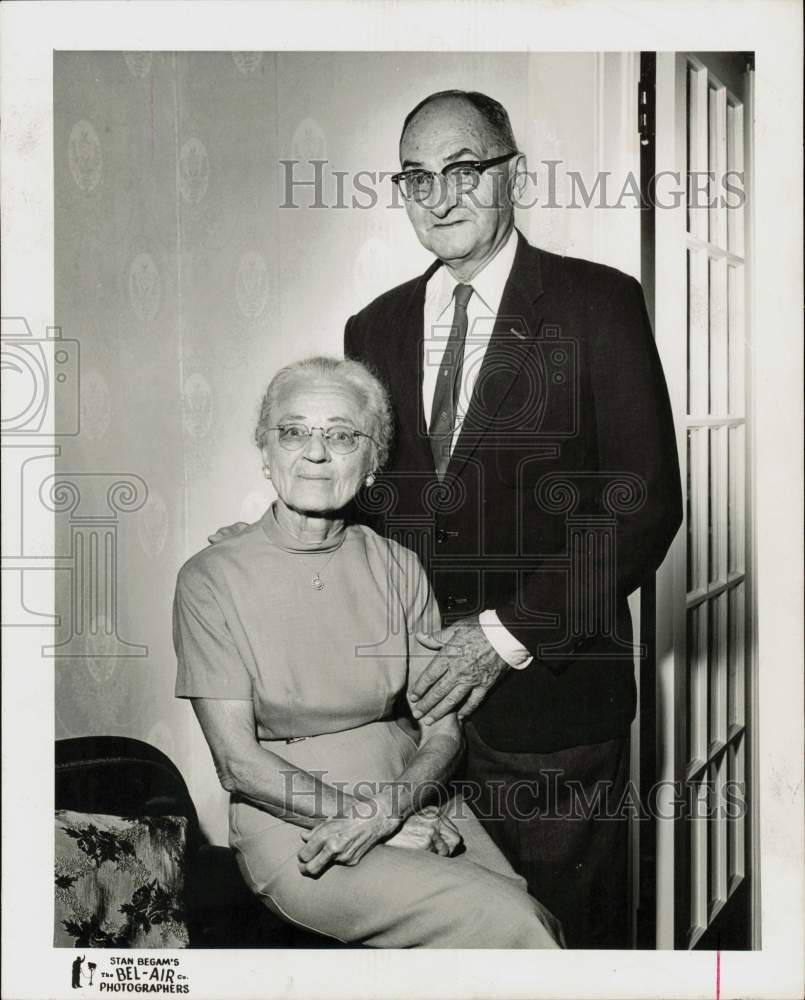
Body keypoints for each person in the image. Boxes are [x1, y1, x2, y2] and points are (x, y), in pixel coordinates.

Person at [342, 90, 683, 948]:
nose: (441, 197)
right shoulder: (373, 327)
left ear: (512, 173)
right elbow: (370, 493)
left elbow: (642, 503)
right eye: (417, 178)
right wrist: (273, 531)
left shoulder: (596, 302)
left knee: (567, 939)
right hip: (414, 714)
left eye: (463, 170)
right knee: (455, 941)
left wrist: (498, 637)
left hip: (553, 711)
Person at [174, 356, 563, 949]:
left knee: (525, 906)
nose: (315, 452)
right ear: (266, 450)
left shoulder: (398, 566)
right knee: (510, 925)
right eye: (294, 430)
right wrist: (371, 821)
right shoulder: (210, 578)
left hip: (407, 789)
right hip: (292, 814)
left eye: (342, 435)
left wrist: (393, 808)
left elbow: (442, 734)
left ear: (373, 460)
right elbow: (237, 763)